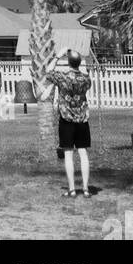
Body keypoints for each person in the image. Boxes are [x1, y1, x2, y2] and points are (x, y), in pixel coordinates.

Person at [44, 48, 92, 198]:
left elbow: (48, 72)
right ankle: (85, 189)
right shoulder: (86, 79)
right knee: (83, 154)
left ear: (68, 62)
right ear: (79, 63)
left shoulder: (63, 77)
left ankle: (71, 189)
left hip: (66, 120)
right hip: (82, 120)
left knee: (69, 155)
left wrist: (58, 56)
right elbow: (85, 81)